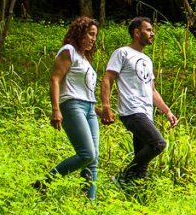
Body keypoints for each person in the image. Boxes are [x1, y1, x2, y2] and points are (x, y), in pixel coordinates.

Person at [101, 16, 178, 191]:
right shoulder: (122, 53)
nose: (152, 34)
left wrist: (167, 111)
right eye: (148, 30)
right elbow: (107, 79)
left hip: (146, 113)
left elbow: (152, 90)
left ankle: (137, 198)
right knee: (158, 144)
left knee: (142, 164)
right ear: (137, 33)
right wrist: (106, 106)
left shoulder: (147, 60)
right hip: (131, 112)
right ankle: (122, 176)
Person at [33, 16, 100, 200]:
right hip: (72, 105)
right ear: (80, 33)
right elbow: (55, 79)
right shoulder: (69, 51)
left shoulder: (84, 58)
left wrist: (99, 109)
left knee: (93, 160)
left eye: (95, 35)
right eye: (90, 34)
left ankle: (88, 206)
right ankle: (44, 182)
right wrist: (56, 109)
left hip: (90, 109)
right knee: (87, 153)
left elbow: (85, 90)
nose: (93, 39)